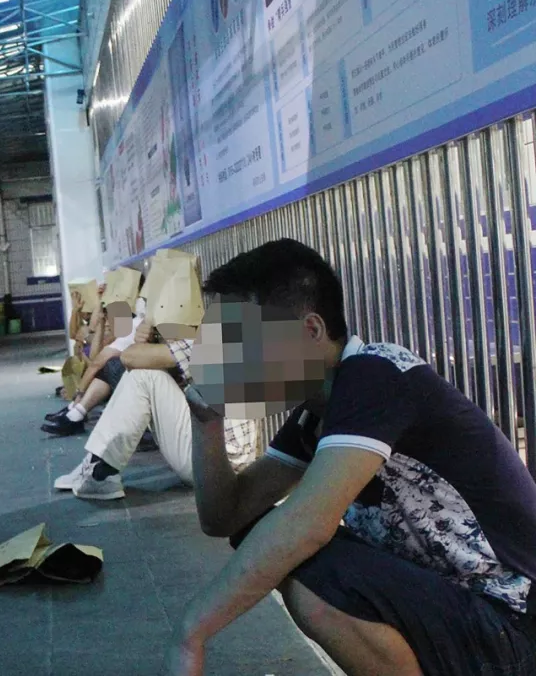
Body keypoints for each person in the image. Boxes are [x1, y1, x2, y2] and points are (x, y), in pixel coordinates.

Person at [165, 238, 536, 676]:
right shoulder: (318, 413)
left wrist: (192, 632)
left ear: (310, 331)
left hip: (511, 619)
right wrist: (207, 421)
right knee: (266, 538)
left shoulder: (376, 374)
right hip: (465, 610)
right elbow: (225, 517)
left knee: (314, 569)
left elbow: (307, 525)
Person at [55, 318, 257, 500]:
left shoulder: (216, 341)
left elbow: (129, 357)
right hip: (218, 458)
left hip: (218, 468)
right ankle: (96, 464)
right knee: (148, 375)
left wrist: (148, 337)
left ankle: (100, 471)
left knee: (144, 375)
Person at [43, 294, 143, 436]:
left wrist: (78, 395)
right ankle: (75, 414)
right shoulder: (116, 328)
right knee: (102, 365)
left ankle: (75, 411)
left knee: (108, 366)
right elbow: (83, 342)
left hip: (136, 380)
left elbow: (95, 362)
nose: (107, 322)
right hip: (123, 377)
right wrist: (98, 322)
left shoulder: (129, 328)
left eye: (107, 317)